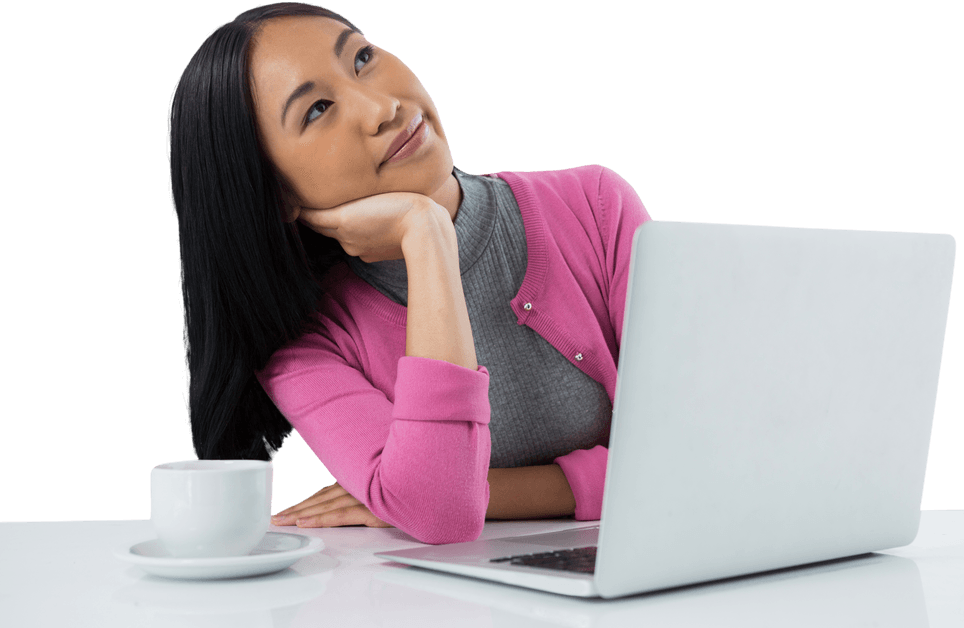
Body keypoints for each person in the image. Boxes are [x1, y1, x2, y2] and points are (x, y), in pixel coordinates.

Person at [167, 2, 651, 545]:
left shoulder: (596, 207)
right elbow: (442, 513)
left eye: (363, 58)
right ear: (273, 193)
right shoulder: (304, 345)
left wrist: (485, 490)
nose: (380, 108)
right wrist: (426, 237)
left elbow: (698, 451)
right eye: (317, 110)